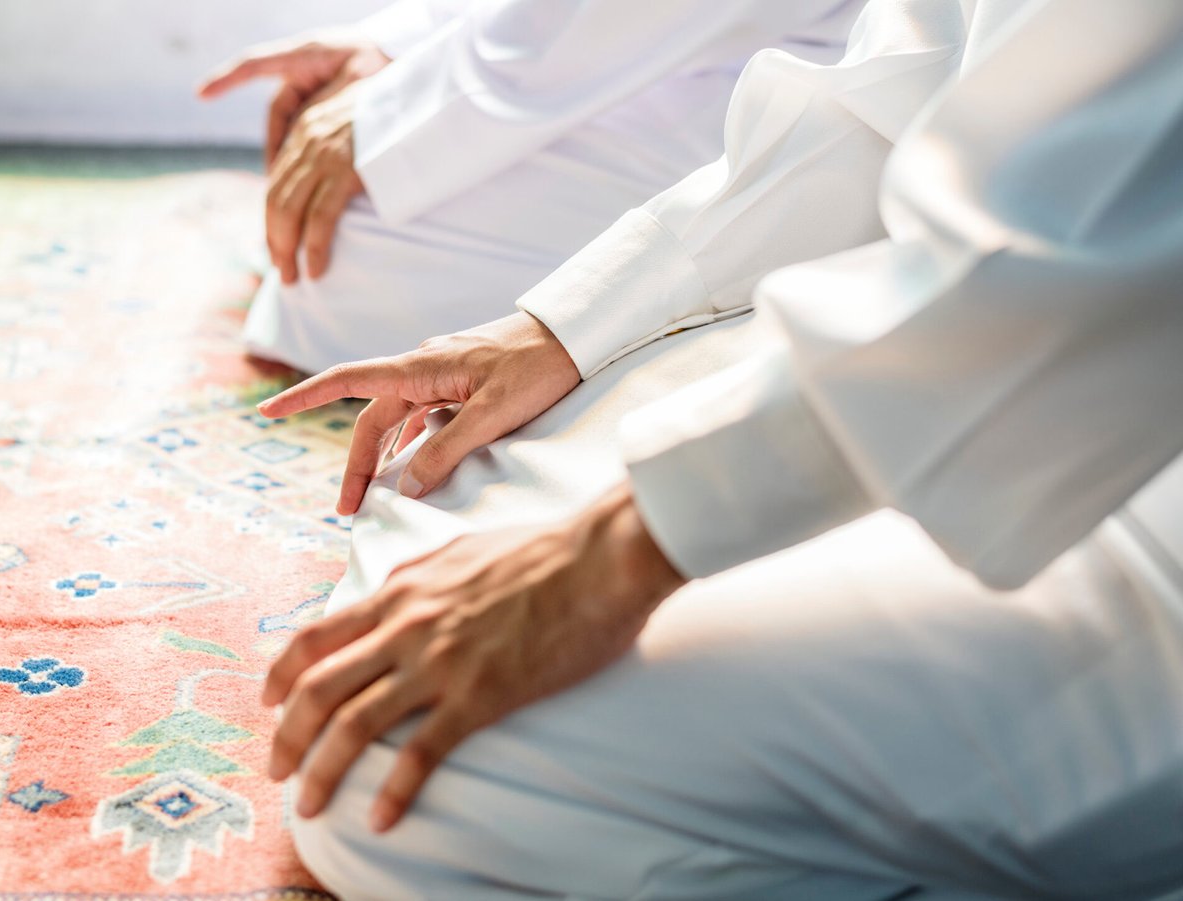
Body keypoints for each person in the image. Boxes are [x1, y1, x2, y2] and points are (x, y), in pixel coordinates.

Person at [253, 0, 1183, 895]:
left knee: (395, 770)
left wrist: (618, 552)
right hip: (970, 340)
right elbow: (901, 85)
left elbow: (1073, 267)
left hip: (1127, 467)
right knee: (454, 470)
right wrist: (560, 330)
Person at [199, 0, 863, 373]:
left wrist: (387, 115)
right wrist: (396, 47)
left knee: (350, 241)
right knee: (335, 206)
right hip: (708, 38)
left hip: (836, 88)